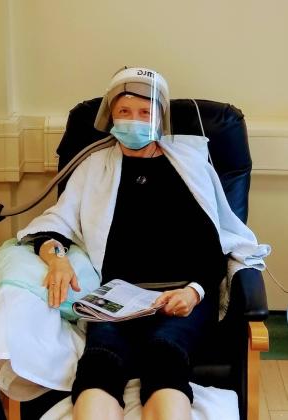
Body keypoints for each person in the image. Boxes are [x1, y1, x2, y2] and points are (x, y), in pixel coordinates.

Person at [16, 67, 268, 420]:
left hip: (180, 296)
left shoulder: (191, 165)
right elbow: (54, 224)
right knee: (100, 364)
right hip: (115, 298)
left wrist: (194, 292)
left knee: (165, 355)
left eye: (144, 112)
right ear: (110, 116)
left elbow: (220, 242)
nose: (134, 121)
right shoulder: (93, 167)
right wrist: (56, 258)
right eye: (124, 112)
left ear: (159, 118)